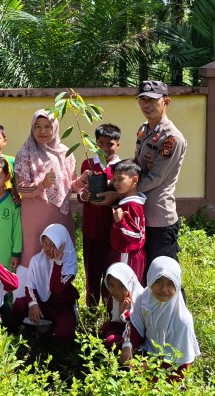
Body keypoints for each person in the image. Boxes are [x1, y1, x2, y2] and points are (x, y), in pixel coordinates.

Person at [14, 110, 89, 274]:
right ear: (32, 128)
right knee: (35, 255)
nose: (42, 131)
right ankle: (32, 296)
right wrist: (42, 184)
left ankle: (61, 294)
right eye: (38, 127)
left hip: (60, 214)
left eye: (47, 126)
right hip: (35, 216)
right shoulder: (25, 153)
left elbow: (71, 185)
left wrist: (82, 180)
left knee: (59, 255)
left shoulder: (65, 153)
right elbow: (21, 187)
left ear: (55, 128)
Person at [134, 81, 187, 280]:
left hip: (159, 217)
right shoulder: (144, 130)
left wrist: (123, 191)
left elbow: (155, 178)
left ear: (166, 102)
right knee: (145, 273)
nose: (147, 105)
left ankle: (179, 312)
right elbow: (137, 166)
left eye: (153, 100)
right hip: (140, 212)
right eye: (143, 100)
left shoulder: (172, 138)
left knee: (165, 276)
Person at [123, 257, 200, 381]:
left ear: (177, 284)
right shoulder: (144, 298)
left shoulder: (182, 320)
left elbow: (180, 361)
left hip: (172, 366)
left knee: (151, 385)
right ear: (150, 279)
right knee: (114, 343)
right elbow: (135, 327)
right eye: (158, 281)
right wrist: (128, 345)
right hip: (150, 350)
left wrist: (150, 366)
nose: (164, 289)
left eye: (170, 284)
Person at [78, 123, 122, 308]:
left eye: (110, 144)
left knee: (111, 272)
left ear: (118, 144)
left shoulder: (121, 167)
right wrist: (83, 195)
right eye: (101, 143)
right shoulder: (88, 164)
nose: (105, 148)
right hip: (92, 229)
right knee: (92, 272)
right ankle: (92, 309)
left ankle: (110, 309)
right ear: (95, 143)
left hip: (113, 230)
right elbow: (81, 192)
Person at [11, 224, 79, 343]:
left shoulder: (69, 265)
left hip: (60, 305)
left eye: (53, 244)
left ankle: (49, 329)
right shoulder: (37, 260)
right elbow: (30, 285)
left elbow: (56, 288)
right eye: (45, 242)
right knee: (19, 305)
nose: (47, 248)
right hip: (42, 304)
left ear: (62, 245)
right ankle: (23, 333)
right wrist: (33, 304)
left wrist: (58, 264)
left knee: (64, 334)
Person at [109, 159, 146, 281]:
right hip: (126, 253)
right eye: (114, 179)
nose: (116, 183)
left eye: (120, 179)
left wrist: (120, 222)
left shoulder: (131, 205)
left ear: (134, 180)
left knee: (125, 289)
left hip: (127, 255)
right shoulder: (129, 203)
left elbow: (137, 236)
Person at [101, 262, 144, 351]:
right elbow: (118, 320)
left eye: (122, 286)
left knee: (111, 341)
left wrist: (125, 313)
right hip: (125, 328)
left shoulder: (140, 299)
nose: (116, 291)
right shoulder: (115, 298)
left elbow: (138, 329)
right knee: (106, 327)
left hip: (136, 336)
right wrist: (122, 312)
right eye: (111, 285)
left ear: (130, 283)